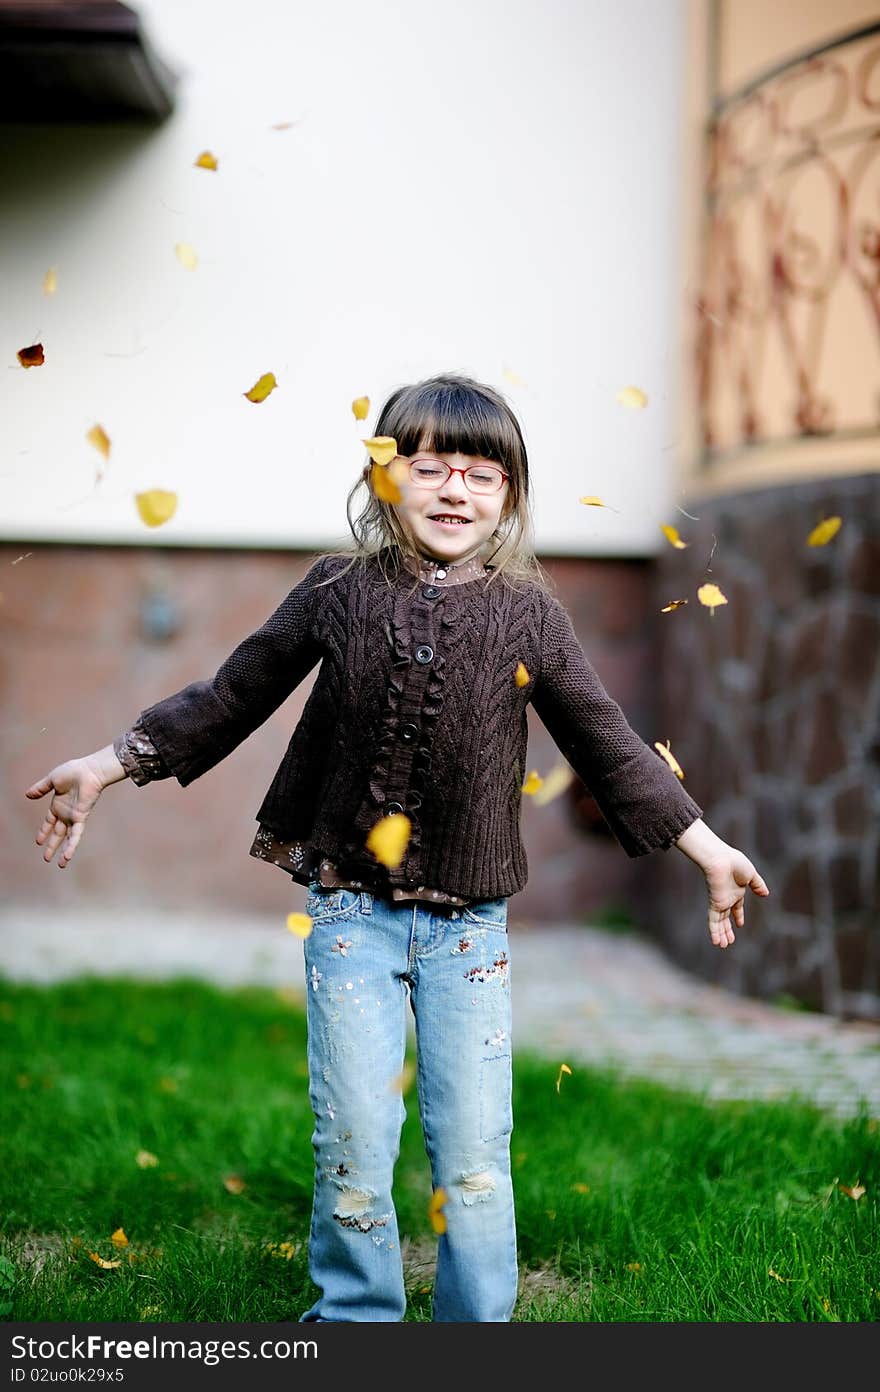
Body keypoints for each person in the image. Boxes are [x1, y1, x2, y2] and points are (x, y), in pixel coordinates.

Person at [25, 372, 770, 1323]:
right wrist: (109, 760)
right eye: (429, 467)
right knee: (355, 1139)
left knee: (472, 1154)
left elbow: (606, 740)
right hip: (349, 917)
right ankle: (357, 1321)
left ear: (510, 497)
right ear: (386, 478)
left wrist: (703, 847)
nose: (455, 490)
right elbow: (232, 693)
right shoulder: (336, 590)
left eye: (482, 476)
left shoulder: (529, 613)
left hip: (470, 930)